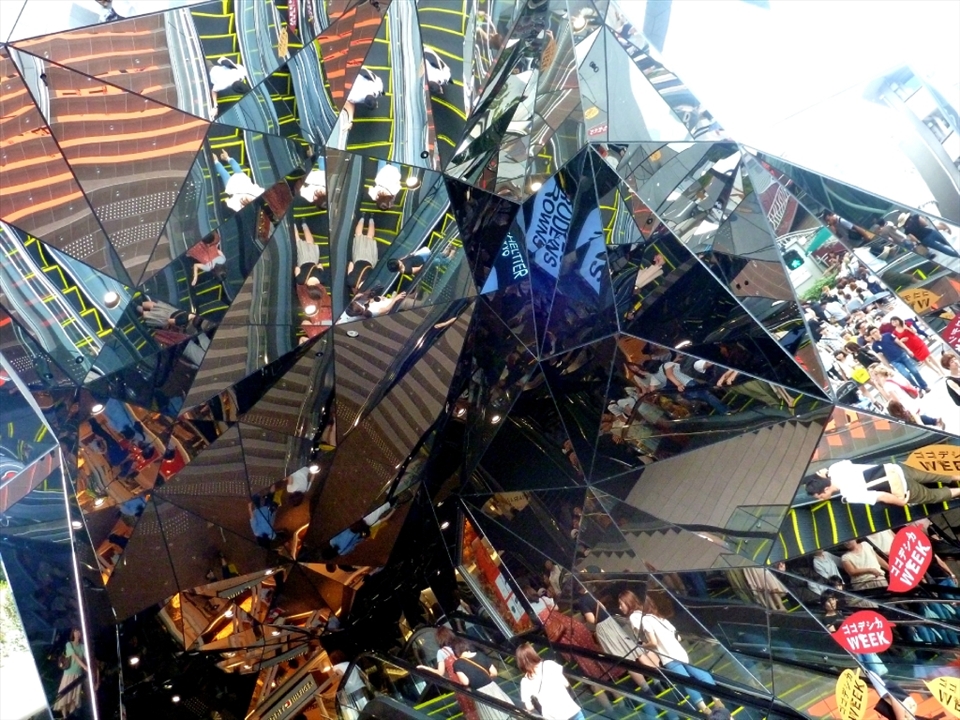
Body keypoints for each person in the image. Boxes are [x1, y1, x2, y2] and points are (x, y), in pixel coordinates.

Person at [620, 591, 723, 714]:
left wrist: (641, 645)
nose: (620, 607)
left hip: (668, 656)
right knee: (699, 673)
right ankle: (717, 700)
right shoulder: (658, 618)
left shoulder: (636, 617)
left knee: (686, 681)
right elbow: (677, 637)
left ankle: (705, 710)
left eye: (621, 604)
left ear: (628, 603)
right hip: (679, 652)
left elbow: (652, 642)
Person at [805, 459, 960, 507]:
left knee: (933, 496)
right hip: (895, 469)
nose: (820, 499)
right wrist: (826, 473)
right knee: (934, 475)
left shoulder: (848, 495)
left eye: (820, 496)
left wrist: (901, 502)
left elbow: (880, 496)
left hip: (901, 487)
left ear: (826, 489)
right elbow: (847, 463)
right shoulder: (835, 468)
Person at [516, 642, 585, 720]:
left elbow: (529, 707)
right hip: (571, 710)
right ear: (533, 653)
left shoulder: (525, 682)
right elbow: (565, 683)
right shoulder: (549, 664)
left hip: (554, 717)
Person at [451, 639, 514, 720]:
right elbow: (494, 672)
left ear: (455, 651)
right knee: (506, 711)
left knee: (492, 715)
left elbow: (465, 682)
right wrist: (485, 679)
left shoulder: (458, 664)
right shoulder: (480, 655)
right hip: (493, 687)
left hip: (480, 693)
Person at [867, 326, 929, 394]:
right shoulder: (875, 346)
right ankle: (917, 388)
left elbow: (899, 342)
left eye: (875, 331)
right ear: (871, 336)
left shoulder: (888, 335)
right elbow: (882, 357)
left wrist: (908, 350)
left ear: (878, 330)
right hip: (894, 361)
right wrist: (888, 366)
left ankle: (924, 386)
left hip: (901, 355)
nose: (875, 334)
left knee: (914, 371)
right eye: (873, 333)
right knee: (906, 375)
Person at [52, 628, 89, 717]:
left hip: (78, 674)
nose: (77, 633)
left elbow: (86, 656)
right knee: (64, 696)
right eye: (76, 631)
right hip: (68, 673)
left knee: (74, 698)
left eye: (79, 631)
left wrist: (87, 665)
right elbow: (74, 656)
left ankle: (70, 716)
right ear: (73, 633)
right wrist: (85, 667)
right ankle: (65, 716)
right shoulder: (69, 644)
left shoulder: (82, 646)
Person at [341, 67, 383, 132]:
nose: (377, 106)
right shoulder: (356, 97)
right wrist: (350, 120)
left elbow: (368, 71)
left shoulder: (377, 87)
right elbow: (348, 103)